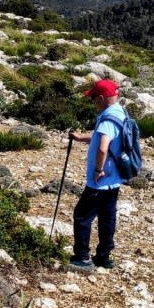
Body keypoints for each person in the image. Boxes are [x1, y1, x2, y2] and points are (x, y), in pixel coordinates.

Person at [67, 78, 126, 270]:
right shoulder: (120, 113)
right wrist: (81, 138)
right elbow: (102, 135)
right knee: (107, 216)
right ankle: (104, 256)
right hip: (114, 179)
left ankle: (82, 258)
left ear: (101, 98)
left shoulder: (107, 118)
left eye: (93, 98)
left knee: (82, 216)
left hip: (100, 180)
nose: (93, 102)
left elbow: (102, 148)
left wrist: (98, 170)